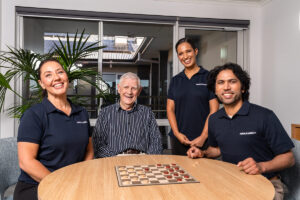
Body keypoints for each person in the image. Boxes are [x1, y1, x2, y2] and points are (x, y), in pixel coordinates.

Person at [187, 63, 295, 200]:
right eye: (220, 83)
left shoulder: (264, 116)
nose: (226, 87)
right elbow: (218, 149)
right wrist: (202, 152)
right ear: (215, 90)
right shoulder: (214, 119)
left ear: (243, 87)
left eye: (232, 82)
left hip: (267, 184)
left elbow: (289, 158)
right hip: (230, 182)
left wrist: (261, 167)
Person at [14, 59, 94, 200]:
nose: (56, 77)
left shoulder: (81, 112)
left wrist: (82, 176)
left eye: (60, 72)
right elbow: (26, 162)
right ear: (42, 84)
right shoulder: (33, 115)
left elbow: (89, 150)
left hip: (72, 183)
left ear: (67, 77)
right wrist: (59, 182)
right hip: (37, 186)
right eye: (48, 75)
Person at [167, 37, 219, 155]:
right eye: (181, 54)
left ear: (195, 51)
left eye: (188, 51)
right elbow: (170, 109)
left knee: (202, 173)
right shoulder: (175, 80)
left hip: (203, 140)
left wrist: (203, 136)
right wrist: (176, 133)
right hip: (179, 139)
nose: (185, 56)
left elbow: (214, 110)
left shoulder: (209, 77)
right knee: (178, 173)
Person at [93, 72, 162, 158]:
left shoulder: (147, 113)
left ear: (139, 91)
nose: (129, 92)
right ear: (119, 88)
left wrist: (148, 159)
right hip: (113, 161)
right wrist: (115, 158)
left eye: (134, 88)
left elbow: (156, 141)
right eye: (126, 87)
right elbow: (98, 144)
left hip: (142, 161)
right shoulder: (105, 113)